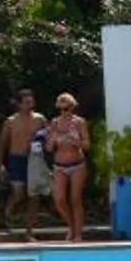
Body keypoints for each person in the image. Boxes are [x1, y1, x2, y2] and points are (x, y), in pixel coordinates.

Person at [0, 90, 46, 236]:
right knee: (19, 194)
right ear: (19, 104)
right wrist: (0, 164)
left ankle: (29, 231)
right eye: (26, 102)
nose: (30, 105)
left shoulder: (40, 119)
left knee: (34, 195)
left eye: (31, 102)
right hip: (16, 158)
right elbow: (2, 144)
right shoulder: (11, 121)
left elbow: (49, 138)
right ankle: (8, 212)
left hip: (34, 158)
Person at [47, 93, 92, 241]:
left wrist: (76, 142)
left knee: (75, 199)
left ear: (72, 108)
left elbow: (87, 145)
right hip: (59, 165)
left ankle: (78, 234)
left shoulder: (79, 122)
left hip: (77, 164)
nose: (63, 112)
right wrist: (52, 140)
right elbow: (48, 148)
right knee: (59, 199)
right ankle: (72, 226)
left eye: (66, 108)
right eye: (61, 109)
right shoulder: (54, 123)